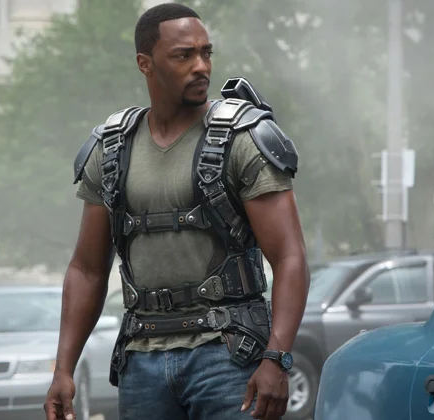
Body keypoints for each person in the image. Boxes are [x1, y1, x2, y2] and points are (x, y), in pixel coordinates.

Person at [44, 3, 309, 420]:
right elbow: (87, 270)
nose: (201, 66)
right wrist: (63, 369)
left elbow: (290, 257)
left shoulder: (243, 138)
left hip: (228, 356)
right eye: (183, 55)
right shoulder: (111, 149)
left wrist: (277, 358)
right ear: (145, 64)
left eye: (206, 53)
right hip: (141, 359)